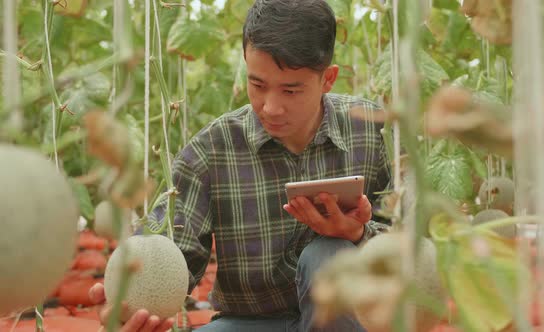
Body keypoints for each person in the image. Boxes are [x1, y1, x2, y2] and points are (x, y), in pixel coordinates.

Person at [89, 0, 392, 331]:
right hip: (250, 322)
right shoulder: (211, 150)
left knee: (330, 254)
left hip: (347, 320)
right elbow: (172, 249)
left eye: (291, 90)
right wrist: (126, 299)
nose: (271, 107)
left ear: (328, 79)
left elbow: (413, 247)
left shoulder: (372, 129)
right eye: (258, 85)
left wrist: (359, 233)